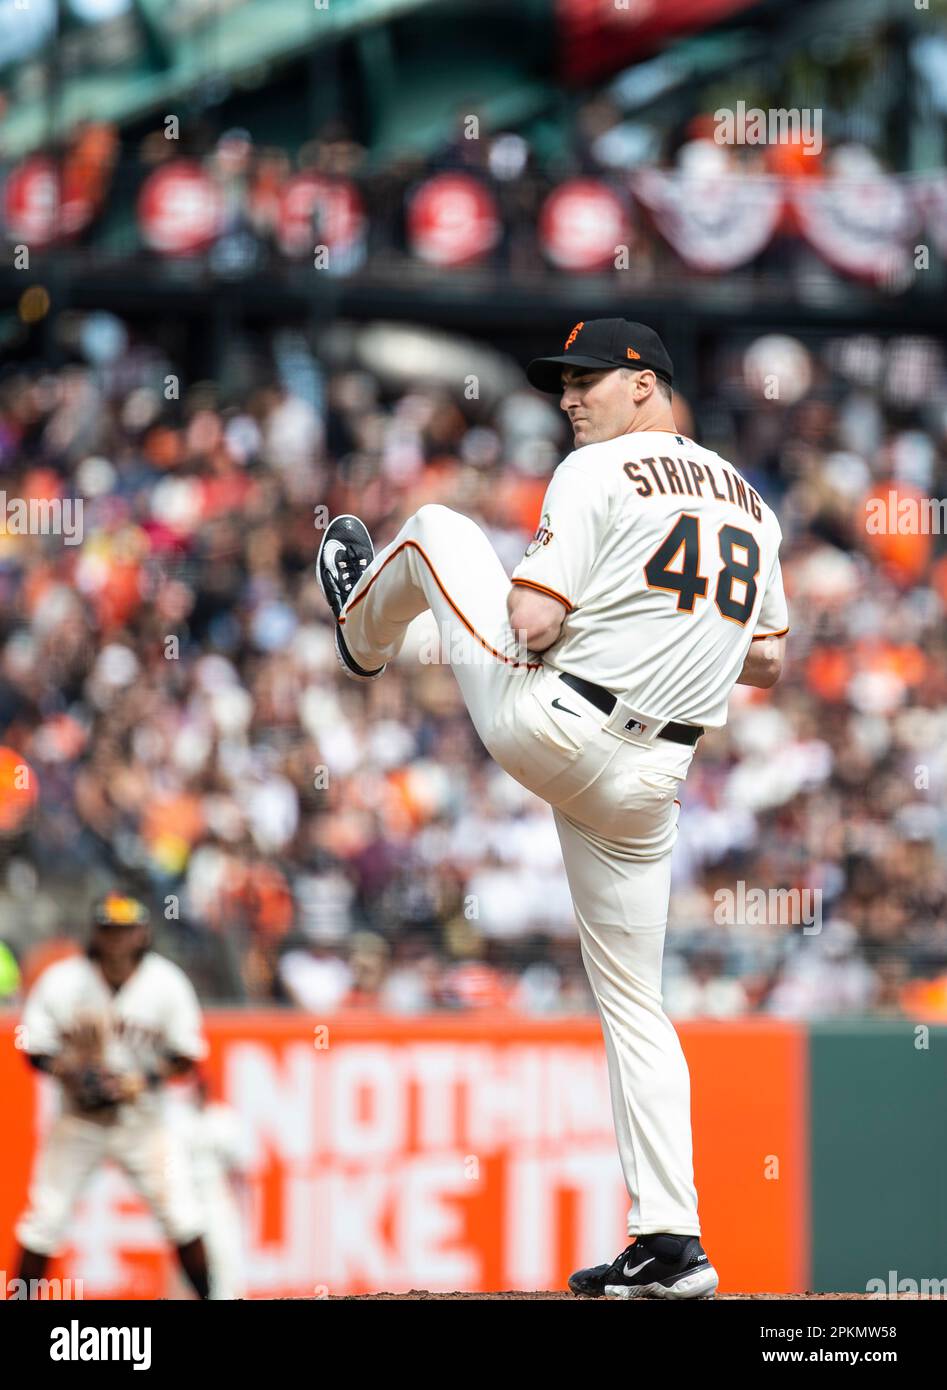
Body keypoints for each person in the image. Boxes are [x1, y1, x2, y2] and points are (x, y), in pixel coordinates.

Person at [316, 318, 788, 1300]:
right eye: (561, 384)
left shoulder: (598, 472)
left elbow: (530, 621)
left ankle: (360, 634)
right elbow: (768, 658)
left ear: (645, 386)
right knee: (638, 1007)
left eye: (587, 380)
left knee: (442, 529)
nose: (569, 399)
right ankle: (671, 1239)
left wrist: (592, 621)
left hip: (558, 727)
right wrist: (657, 626)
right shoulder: (752, 504)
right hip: (653, 782)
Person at [14, 892, 211, 1300]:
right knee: (44, 1219)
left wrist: (145, 1078)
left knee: (182, 1216)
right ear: (96, 932)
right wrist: (68, 1070)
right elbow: (32, 1046)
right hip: (79, 1119)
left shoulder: (166, 982)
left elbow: (187, 1054)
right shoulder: (64, 980)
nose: (117, 939)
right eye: (109, 929)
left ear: (143, 933)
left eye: (125, 930)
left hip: (142, 1120)